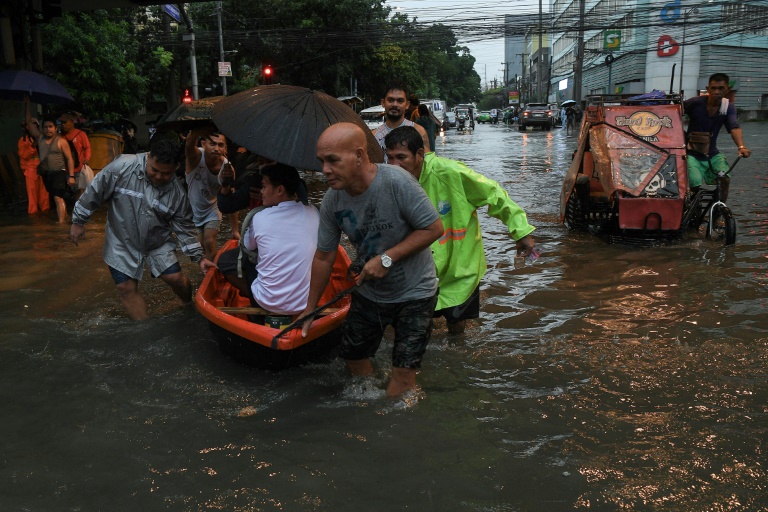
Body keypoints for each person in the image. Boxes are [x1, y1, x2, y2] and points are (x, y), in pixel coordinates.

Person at [302, 122, 443, 397]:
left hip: (416, 293)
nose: (325, 170)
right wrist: (310, 308)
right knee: (353, 357)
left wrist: (387, 259)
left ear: (359, 155)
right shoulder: (333, 200)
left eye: (333, 160)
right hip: (370, 292)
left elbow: (434, 228)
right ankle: (368, 403)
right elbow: (323, 257)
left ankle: (390, 428)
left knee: (403, 377)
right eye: (322, 161)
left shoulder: (397, 182)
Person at [384, 126, 536, 334]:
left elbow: (494, 194)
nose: (394, 165)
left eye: (401, 157)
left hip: (459, 267)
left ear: (420, 154)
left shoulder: (450, 172)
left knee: (456, 325)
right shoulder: (389, 182)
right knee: (415, 327)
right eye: (389, 158)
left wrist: (521, 232)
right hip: (418, 269)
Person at [69, 136, 216, 321]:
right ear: (148, 156)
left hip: (157, 241)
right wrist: (78, 221)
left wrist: (199, 258)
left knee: (176, 279)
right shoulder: (122, 167)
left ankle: (189, 305)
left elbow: (184, 229)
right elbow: (95, 191)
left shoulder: (177, 194)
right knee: (126, 288)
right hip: (121, 240)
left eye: (166, 173)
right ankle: (144, 329)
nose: (159, 177)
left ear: (175, 169)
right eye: (155, 170)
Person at [221, 163, 319, 320]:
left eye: (264, 186)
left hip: (267, 302)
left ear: (280, 190)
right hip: (305, 303)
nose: (261, 191)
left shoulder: (259, 217)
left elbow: (247, 247)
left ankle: (253, 297)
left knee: (230, 260)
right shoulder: (313, 212)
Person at [684, 72, 751, 203]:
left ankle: (719, 210)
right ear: (708, 88)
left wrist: (741, 147)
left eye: (721, 88)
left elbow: (734, 127)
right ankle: (691, 208)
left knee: (725, 178)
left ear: (727, 89)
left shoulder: (727, 107)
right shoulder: (695, 103)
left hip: (712, 154)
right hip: (692, 153)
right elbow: (675, 112)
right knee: (694, 182)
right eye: (713, 88)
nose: (716, 92)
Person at [185, 128, 229, 260]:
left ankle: (212, 274)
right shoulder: (196, 157)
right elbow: (188, 146)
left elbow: (228, 198)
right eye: (212, 144)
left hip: (213, 208)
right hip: (193, 210)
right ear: (203, 144)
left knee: (209, 241)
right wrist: (196, 129)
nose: (216, 148)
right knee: (200, 246)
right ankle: (206, 272)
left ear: (225, 148)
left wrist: (235, 229)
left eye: (220, 145)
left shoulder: (227, 168)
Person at [26, 115, 75, 223]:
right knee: (56, 197)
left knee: (58, 197)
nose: (48, 129)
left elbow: (69, 159)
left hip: (59, 172)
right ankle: (66, 217)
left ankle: (61, 223)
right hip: (46, 173)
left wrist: (71, 176)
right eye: (46, 127)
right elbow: (29, 123)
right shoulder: (40, 139)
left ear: (55, 128)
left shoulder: (61, 141)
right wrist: (27, 103)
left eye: (50, 126)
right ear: (42, 129)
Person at [372, 82, 431, 160]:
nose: (395, 104)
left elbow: (427, 164)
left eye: (400, 101)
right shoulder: (374, 136)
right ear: (383, 103)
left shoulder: (419, 132)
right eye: (390, 100)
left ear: (407, 105)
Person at [18, 121, 50, 215]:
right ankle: (33, 216)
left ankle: (45, 215)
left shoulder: (42, 139)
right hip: (30, 171)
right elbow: (24, 155)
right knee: (32, 197)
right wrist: (33, 145)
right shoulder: (23, 140)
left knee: (44, 195)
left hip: (43, 170)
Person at [59, 112, 91, 181]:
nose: (63, 125)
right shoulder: (60, 136)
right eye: (61, 123)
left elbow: (87, 147)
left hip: (79, 169)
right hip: (64, 169)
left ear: (72, 123)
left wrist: (87, 158)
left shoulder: (81, 134)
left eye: (65, 123)